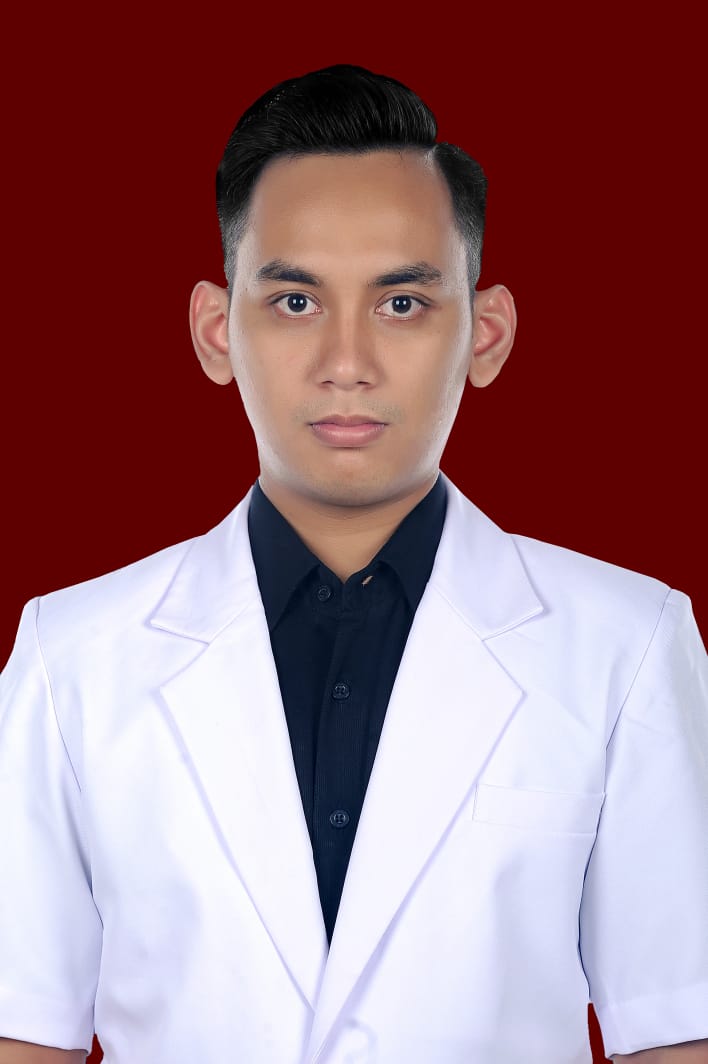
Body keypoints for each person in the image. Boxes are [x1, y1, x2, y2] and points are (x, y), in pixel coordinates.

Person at [0, 64, 706, 1064]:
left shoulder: (626, 645)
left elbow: (677, 1029)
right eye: (294, 300)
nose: (346, 361)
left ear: (485, 334)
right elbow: (25, 1033)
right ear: (216, 331)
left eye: (402, 303)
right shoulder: (69, 656)